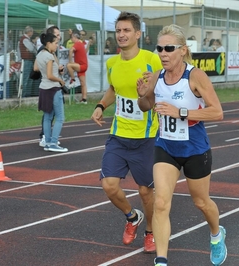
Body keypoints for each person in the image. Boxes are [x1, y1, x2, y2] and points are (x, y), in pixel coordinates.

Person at [136, 24, 227, 266]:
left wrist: (181, 112)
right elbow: (146, 107)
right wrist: (142, 95)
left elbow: (217, 112)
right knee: (161, 202)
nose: (163, 53)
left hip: (195, 150)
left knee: (201, 202)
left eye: (169, 48)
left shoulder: (195, 76)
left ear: (182, 50)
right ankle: (161, 261)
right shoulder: (157, 76)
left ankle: (217, 235)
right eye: (159, 48)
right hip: (165, 147)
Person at [90, 11, 162, 254]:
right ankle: (132, 217)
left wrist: (151, 90)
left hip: (146, 138)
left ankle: (150, 230)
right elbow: (113, 88)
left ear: (138, 34)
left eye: (126, 30)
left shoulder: (152, 60)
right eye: (118, 31)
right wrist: (101, 105)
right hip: (119, 135)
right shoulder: (112, 63)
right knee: (109, 185)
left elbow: (163, 87)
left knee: (145, 191)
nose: (121, 35)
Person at [34, 32, 67, 153]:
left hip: (43, 88)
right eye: (55, 43)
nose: (57, 45)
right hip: (53, 89)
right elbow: (49, 75)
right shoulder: (49, 56)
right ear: (48, 43)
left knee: (47, 117)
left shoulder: (40, 55)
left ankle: (47, 142)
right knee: (60, 117)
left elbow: (38, 70)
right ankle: (53, 142)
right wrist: (60, 80)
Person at [66, 29, 88, 104]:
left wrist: (70, 61)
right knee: (83, 83)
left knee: (69, 65)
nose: (71, 39)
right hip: (83, 65)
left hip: (81, 66)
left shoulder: (77, 44)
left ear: (75, 37)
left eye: (72, 37)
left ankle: (73, 80)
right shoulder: (80, 43)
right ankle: (84, 99)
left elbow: (70, 50)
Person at [19, 26, 37, 97]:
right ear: (29, 32)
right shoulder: (25, 39)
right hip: (27, 60)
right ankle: (24, 94)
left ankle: (27, 94)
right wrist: (33, 48)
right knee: (26, 77)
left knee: (29, 78)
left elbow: (31, 48)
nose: (32, 33)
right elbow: (32, 48)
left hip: (29, 60)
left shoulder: (27, 39)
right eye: (32, 32)